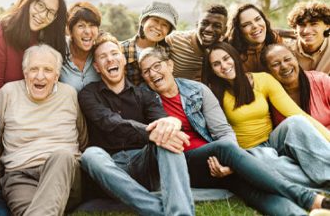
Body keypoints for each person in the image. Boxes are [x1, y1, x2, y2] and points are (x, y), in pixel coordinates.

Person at [139, 46, 330, 215]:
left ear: (170, 65)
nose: (152, 73)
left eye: (157, 66)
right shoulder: (144, 98)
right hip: (182, 162)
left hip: (215, 160)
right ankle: (309, 199)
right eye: (146, 71)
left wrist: (228, 164)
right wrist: (228, 155)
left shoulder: (197, 90)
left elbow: (222, 130)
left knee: (252, 190)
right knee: (225, 149)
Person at [79, 33, 195, 215]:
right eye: (103, 57)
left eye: (114, 54)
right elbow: (109, 122)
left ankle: (180, 212)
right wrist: (149, 133)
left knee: (167, 137)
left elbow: (161, 121)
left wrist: (170, 123)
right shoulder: (88, 94)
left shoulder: (144, 94)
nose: (110, 59)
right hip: (111, 169)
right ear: (97, 67)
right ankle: (155, 209)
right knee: (90, 155)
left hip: (144, 163)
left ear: (123, 60)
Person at [202, 42, 330, 189]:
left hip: (273, 140)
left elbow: (297, 113)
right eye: (216, 64)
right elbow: (214, 134)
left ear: (235, 57)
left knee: (296, 121)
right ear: (211, 70)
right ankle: (323, 183)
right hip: (248, 152)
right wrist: (233, 162)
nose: (224, 66)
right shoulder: (212, 94)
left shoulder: (263, 79)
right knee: (269, 161)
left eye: (226, 58)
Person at [0, 44, 87, 216]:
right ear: (25, 73)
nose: (40, 76)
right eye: (34, 69)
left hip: (64, 173)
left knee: (62, 155)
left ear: (57, 76)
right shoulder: (8, 93)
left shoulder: (69, 94)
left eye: (48, 70)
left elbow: (83, 138)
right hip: (20, 177)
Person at [0, 0, 67, 103]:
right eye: (40, 5)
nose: (43, 15)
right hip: (11, 111)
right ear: (28, 0)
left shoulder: (52, 38)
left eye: (51, 12)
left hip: (47, 108)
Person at [261, 43, 330, 129]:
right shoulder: (266, 97)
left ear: (296, 59)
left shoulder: (322, 81)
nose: (284, 66)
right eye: (275, 64)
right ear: (267, 71)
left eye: (287, 59)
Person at [165, 4, 228, 81]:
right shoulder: (174, 39)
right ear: (197, 24)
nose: (209, 29)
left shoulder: (225, 51)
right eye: (204, 23)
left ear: (224, 31)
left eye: (217, 26)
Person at [121, 1, 177, 85]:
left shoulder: (166, 51)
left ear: (168, 32)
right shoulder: (121, 50)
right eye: (155, 20)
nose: (158, 27)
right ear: (143, 21)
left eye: (165, 25)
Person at [59, 1, 101, 92]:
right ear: (70, 31)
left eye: (92, 25)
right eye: (81, 26)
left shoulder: (101, 51)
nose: (88, 31)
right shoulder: (58, 49)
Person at [228, 3, 282, 72]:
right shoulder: (231, 54)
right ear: (238, 31)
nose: (255, 26)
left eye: (258, 19)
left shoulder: (277, 41)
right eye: (246, 24)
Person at [285, 0, 330, 74]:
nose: (306, 31)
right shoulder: (287, 51)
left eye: (314, 24)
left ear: (327, 26)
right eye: (302, 25)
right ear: (295, 28)